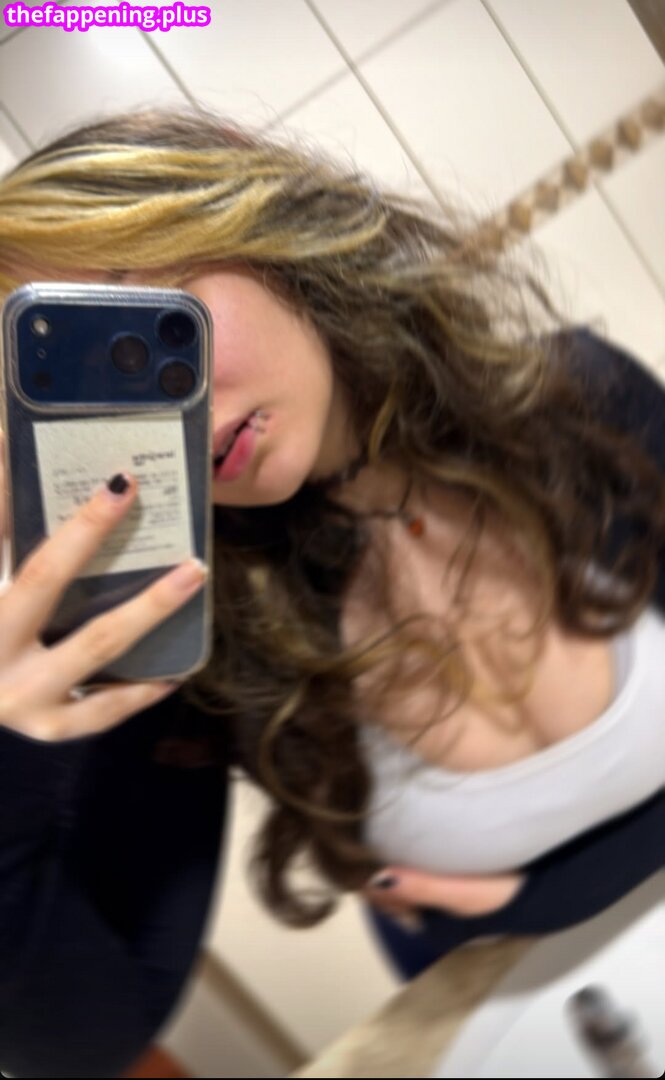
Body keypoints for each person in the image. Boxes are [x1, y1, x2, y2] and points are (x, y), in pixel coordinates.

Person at [0, 107, 663, 1073]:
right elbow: (79, 1040)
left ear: (251, 223)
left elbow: (505, 906)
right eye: (91, 401)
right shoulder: (203, 641)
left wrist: (533, 898)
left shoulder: (580, 403)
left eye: (149, 330)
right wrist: (15, 763)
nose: (176, 420)